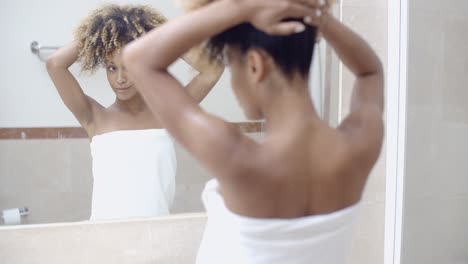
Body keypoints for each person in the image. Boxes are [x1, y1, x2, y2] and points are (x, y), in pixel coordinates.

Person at [123, 0, 384, 263]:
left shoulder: (239, 159)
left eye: (233, 66)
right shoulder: (360, 143)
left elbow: (139, 59)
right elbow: (370, 72)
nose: (234, 82)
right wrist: (320, 19)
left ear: (255, 65)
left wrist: (243, 7)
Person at [46, 4, 223, 220]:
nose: (120, 79)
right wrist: (98, 31)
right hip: (105, 239)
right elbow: (55, 64)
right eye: (112, 68)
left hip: (156, 237)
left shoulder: (168, 112)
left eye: (128, 67)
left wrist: (157, 33)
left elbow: (212, 69)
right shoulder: (94, 116)